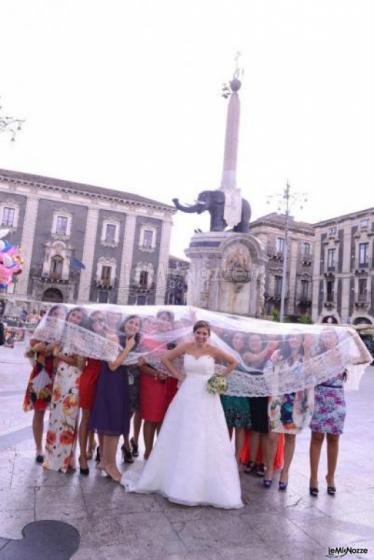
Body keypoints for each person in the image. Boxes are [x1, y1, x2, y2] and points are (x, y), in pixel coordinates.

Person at [122, 320, 243, 509]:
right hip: (187, 392)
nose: (201, 336)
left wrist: (218, 377)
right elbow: (165, 359)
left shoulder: (213, 350)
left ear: (208, 335)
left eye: (204, 333)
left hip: (207, 396)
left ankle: (204, 486)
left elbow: (234, 362)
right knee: (183, 433)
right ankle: (174, 482)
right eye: (198, 333)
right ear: (194, 333)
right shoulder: (185, 346)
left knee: (205, 435)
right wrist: (178, 375)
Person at [89, 315, 141, 482]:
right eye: (131, 322)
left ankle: (105, 462)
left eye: (137, 324)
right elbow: (112, 365)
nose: (133, 326)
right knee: (111, 423)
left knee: (113, 422)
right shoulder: (114, 338)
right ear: (124, 323)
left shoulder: (130, 341)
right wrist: (128, 348)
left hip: (121, 383)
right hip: (111, 383)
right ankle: (110, 464)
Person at [265, 332, 314, 491]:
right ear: (287, 339)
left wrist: (307, 351)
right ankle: (270, 469)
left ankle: (285, 472)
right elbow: (267, 371)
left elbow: (310, 374)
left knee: (290, 438)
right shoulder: (278, 354)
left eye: (297, 337)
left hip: (296, 401)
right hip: (278, 398)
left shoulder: (305, 356)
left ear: (302, 340)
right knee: (272, 436)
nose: (294, 340)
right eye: (291, 337)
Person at [43, 307, 87, 473]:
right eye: (73, 315)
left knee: (68, 418)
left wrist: (58, 355)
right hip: (60, 381)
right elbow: (53, 359)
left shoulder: (82, 337)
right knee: (56, 417)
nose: (75, 318)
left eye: (79, 317)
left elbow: (80, 363)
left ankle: (66, 461)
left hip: (73, 381)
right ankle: (52, 458)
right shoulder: (62, 334)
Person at [23, 304, 67, 463]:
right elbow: (28, 353)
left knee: (60, 412)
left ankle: (54, 447)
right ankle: (38, 448)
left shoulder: (66, 334)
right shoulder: (41, 332)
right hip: (42, 373)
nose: (57, 317)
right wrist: (44, 348)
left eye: (61, 315)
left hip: (62, 375)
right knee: (39, 410)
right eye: (55, 314)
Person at [309, 328, 347, 497]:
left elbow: (365, 357)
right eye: (324, 336)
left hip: (338, 398)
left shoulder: (343, 356)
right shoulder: (319, 356)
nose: (327, 338)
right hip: (320, 397)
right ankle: (313, 478)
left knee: (334, 438)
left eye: (331, 335)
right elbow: (311, 370)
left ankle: (330, 477)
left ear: (337, 339)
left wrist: (354, 336)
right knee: (317, 437)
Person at [77, 310, 106, 475]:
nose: (98, 323)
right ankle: (82, 455)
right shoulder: (85, 338)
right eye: (95, 320)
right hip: (90, 376)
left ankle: (98, 449)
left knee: (101, 415)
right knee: (86, 417)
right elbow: (81, 362)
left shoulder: (110, 336)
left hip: (105, 379)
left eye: (101, 320)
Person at [220, 331, 251, 465]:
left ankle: (237, 458)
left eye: (241, 339)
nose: (237, 341)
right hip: (226, 395)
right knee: (226, 427)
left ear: (244, 343)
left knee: (240, 428)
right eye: (235, 338)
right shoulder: (225, 353)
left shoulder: (246, 356)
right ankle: (225, 458)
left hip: (241, 397)